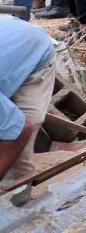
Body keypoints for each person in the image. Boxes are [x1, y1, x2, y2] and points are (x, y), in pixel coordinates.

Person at [0, 18, 55, 187]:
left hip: (34, 53)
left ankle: (18, 201)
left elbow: (20, 131)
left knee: (17, 162)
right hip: (10, 42)